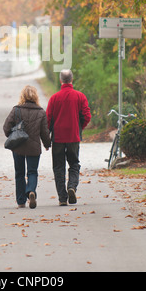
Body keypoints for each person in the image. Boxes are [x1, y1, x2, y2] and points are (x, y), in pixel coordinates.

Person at [46, 69, 91, 206]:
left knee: (58, 167)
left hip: (58, 138)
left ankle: (62, 198)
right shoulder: (80, 96)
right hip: (73, 136)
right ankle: (71, 186)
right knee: (74, 164)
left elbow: (47, 119)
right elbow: (87, 116)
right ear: (72, 80)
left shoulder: (54, 98)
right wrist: (79, 128)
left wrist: (47, 138)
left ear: (60, 81)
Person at [3, 85, 51, 209]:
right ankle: (31, 191)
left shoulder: (16, 110)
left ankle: (20, 201)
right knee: (32, 172)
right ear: (35, 96)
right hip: (34, 147)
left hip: (18, 145)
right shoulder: (40, 111)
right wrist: (47, 144)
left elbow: (6, 127)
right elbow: (45, 132)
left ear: (22, 96)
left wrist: (12, 134)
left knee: (19, 173)